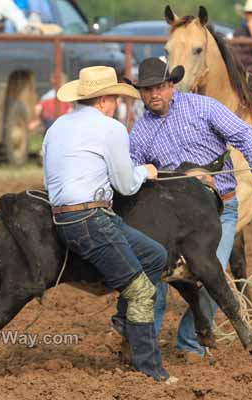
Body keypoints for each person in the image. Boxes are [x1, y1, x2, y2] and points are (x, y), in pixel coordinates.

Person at [126, 57, 252, 359]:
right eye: (146, 89)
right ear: (140, 93)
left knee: (212, 276)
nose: (153, 94)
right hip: (170, 217)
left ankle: (190, 343)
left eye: (159, 87)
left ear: (171, 85)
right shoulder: (139, 133)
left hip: (219, 209)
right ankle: (144, 345)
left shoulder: (202, 107)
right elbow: (132, 176)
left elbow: (245, 134)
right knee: (152, 280)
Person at [43, 65, 174, 382]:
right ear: (103, 100)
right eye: (114, 97)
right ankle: (150, 369)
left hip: (66, 215)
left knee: (155, 255)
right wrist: (147, 171)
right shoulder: (110, 128)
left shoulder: (57, 126)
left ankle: (122, 322)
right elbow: (127, 185)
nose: (115, 103)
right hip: (91, 218)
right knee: (142, 291)